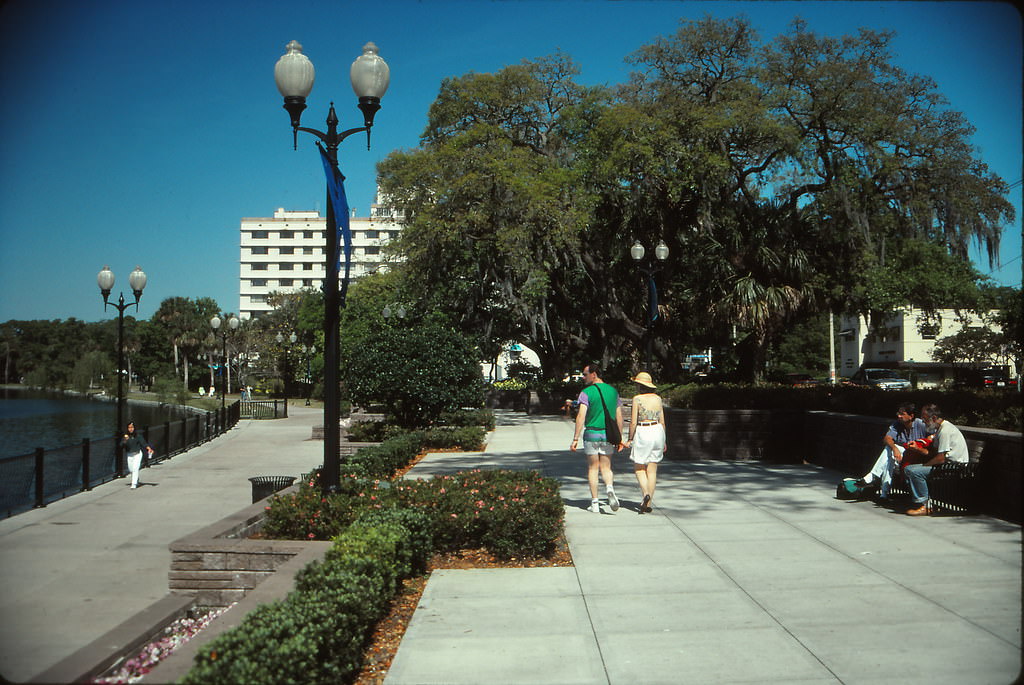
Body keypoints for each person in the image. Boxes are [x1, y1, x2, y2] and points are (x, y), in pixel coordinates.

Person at [570, 363, 624, 513]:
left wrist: (575, 438)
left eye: (585, 374)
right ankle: (609, 488)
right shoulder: (613, 391)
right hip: (608, 435)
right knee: (606, 467)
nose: (583, 377)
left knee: (593, 468)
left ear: (594, 374)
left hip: (592, 434)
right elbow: (619, 416)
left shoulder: (586, 392)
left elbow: (581, 416)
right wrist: (619, 438)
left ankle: (594, 503)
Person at [855, 403, 932, 500]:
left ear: (911, 416)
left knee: (889, 452)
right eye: (898, 413)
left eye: (902, 414)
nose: (899, 416)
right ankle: (883, 494)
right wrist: (895, 449)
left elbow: (932, 436)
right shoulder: (897, 424)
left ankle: (875, 480)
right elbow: (887, 438)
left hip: (917, 456)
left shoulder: (920, 424)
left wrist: (922, 443)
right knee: (890, 452)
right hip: (901, 456)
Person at [905, 404, 969, 516]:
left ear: (934, 418)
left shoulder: (945, 431)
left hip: (954, 467)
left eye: (925, 419)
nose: (923, 422)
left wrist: (924, 466)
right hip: (946, 465)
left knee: (915, 472)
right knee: (909, 469)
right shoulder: (939, 429)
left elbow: (940, 458)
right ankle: (923, 501)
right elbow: (934, 453)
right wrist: (917, 449)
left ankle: (926, 506)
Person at [623, 371, 666, 514]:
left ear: (639, 385)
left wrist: (630, 439)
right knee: (652, 469)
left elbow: (633, 422)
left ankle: (646, 493)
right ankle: (648, 502)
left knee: (639, 467)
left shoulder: (637, 399)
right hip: (658, 430)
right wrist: (664, 439)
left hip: (644, 430)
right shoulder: (658, 399)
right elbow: (662, 421)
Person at [120, 421, 154, 490]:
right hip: (129, 454)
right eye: (129, 427)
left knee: (135, 468)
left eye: (132, 427)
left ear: (134, 428)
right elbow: (121, 445)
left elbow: (143, 443)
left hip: (137, 454)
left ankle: (134, 484)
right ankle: (136, 479)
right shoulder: (125, 436)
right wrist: (125, 441)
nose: (131, 429)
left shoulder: (138, 436)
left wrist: (149, 448)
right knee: (131, 470)